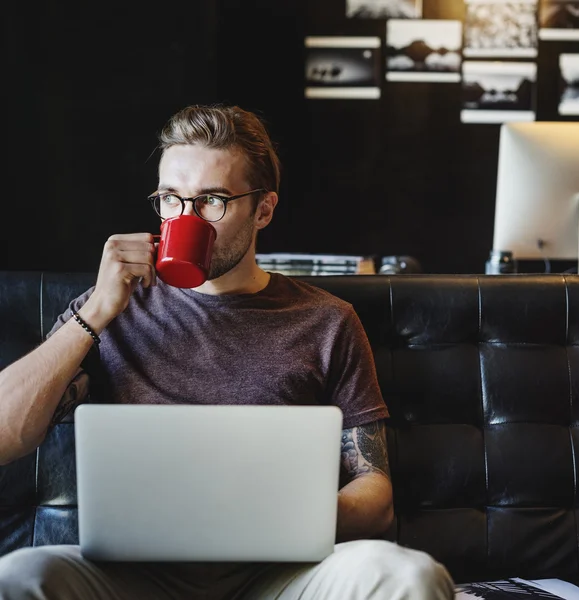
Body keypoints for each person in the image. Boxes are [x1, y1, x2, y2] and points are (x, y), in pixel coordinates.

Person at [0, 104, 454, 600]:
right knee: (20, 576)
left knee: (410, 578)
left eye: (212, 200)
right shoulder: (109, 309)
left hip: (283, 575)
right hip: (135, 576)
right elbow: (5, 436)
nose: (186, 218)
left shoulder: (326, 320)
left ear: (263, 209)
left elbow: (376, 491)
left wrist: (289, 519)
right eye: (171, 199)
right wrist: (96, 313)